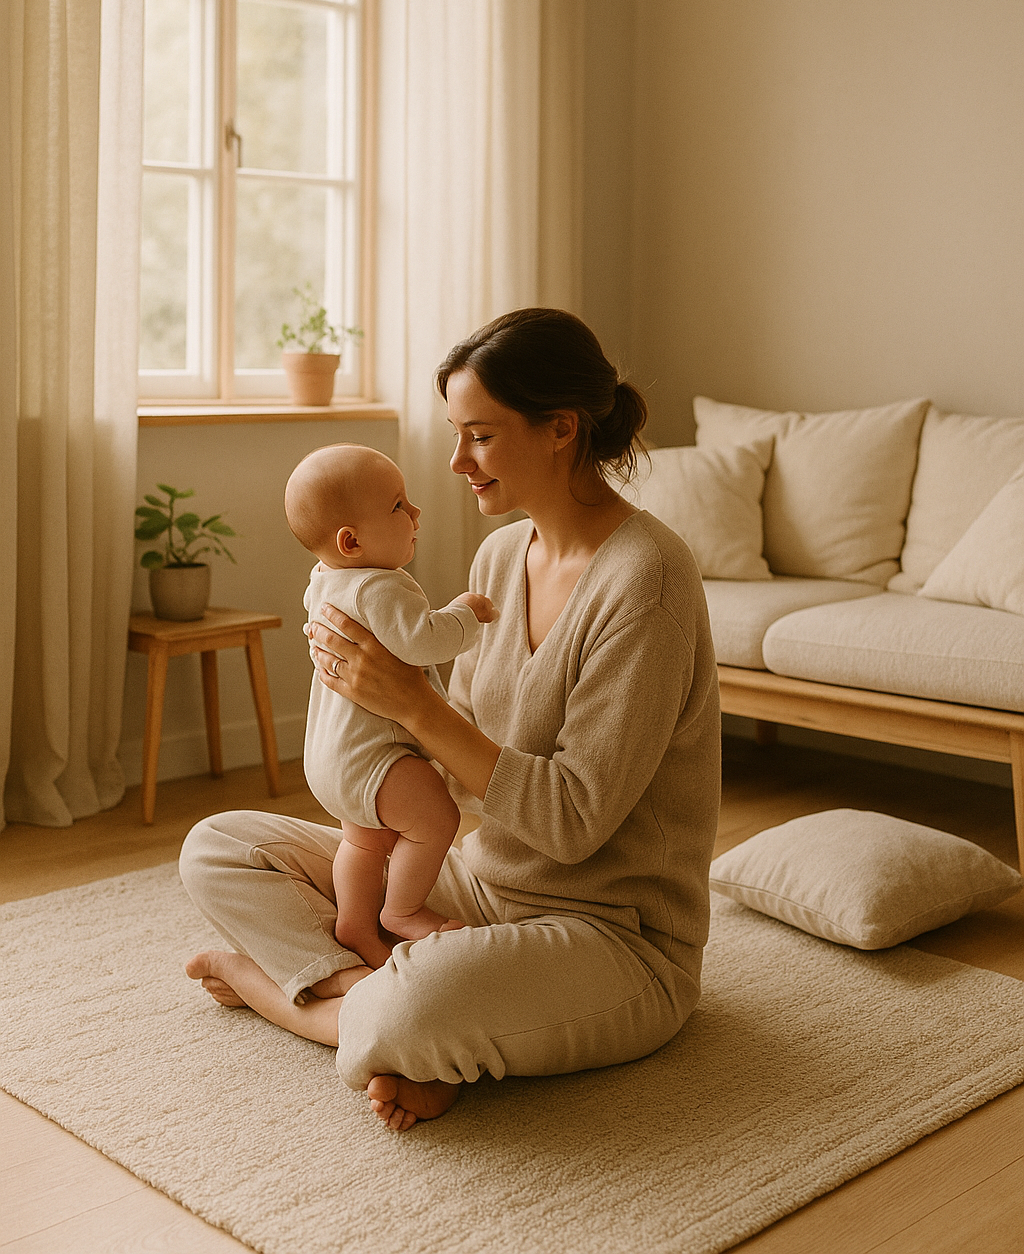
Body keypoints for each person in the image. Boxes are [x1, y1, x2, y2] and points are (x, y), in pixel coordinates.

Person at [181, 307, 721, 1133]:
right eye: (455, 434)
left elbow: (573, 823)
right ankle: (384, 1005)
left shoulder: (647, 581)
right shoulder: (502, 556)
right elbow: (459, 754)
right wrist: (367, 765)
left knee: (417, 1006)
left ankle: (307, 1002)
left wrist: (411, 702)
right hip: (479, 882)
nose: (456, 461)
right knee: (217, 848)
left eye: (479, 436)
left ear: (560, 430)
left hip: (612, 936)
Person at [283, 444, 496, 970]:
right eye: (399, 505)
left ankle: (355, 921)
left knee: (364, 839)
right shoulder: (381, 586)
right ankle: (402, 911)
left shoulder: (323, 579)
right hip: (376, 758)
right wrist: (465, 612)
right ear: (351, 541)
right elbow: (423, 641)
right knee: (436, 819)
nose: (416, 513)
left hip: (330, 759)